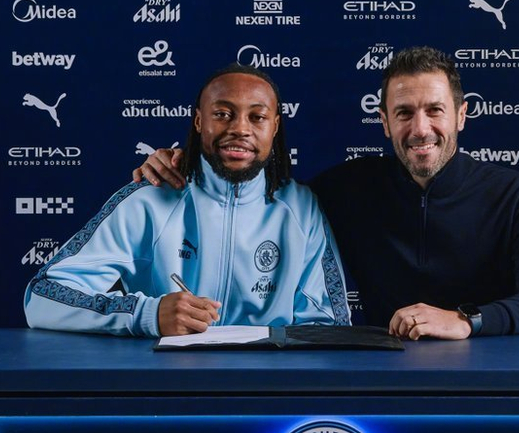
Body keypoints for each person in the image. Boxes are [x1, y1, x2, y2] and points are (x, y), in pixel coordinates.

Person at [134, 47, 519, 340]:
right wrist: (183, 163)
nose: (420, 129)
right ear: (383, 121)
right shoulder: (345, 189)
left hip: (490, 373)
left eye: (435, 111)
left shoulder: (512, 194)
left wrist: (466, 320)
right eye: (404, 113)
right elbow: (253, 187)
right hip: (387, 374)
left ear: (461, 116)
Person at [25, 65, 350, 337]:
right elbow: (42, 298)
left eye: (257, 117)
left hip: (267, 388)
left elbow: (330, 327)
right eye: (222, 114)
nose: (240, 128)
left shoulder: (301, 208)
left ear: (275, 127)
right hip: (166, 385)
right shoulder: (150, 199)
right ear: (198, 121)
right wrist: (145, 314)